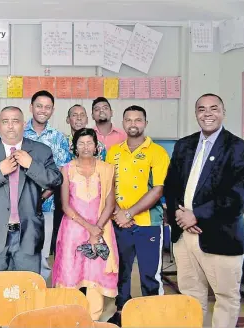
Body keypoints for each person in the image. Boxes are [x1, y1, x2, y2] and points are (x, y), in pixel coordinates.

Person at [164, 93, 244, 328]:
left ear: (223, 112)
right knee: (191, 297)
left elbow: (236, 196)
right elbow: (170, 184)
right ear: (196, 113)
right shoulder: (184, 145)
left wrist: (196, 215)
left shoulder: (238, 148)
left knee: (225, 298)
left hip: (219, 236)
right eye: (201, 109)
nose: (207, 114)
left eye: (213, 109)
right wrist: (180, 215)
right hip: (184, 235)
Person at [0, 106, 62, 273]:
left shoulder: (41, 151)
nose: (10, 126)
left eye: (15, 121)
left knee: (25, 291)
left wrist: (31, 165)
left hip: (28, 235)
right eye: (5, 122)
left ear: (23, 124)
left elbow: (56, 181)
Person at [106, 105, 170, 326]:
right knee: (120, 272)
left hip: (148, 224)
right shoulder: (114, 151)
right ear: (123, 123)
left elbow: (158, 189)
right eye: (129, 120)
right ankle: (122, 312)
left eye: (138, 120)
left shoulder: (157, 152)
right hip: (119, 224)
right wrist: (116, 214)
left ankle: (152, 317)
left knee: (149, 274)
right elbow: (108, 186)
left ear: (145, 123)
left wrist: (129, 213)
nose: (133, 124)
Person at [51, 128, 118, 321]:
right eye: (81, 143)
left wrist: (97, 229)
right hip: (73, 229)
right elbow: (65, 205)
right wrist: (91, 229)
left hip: (101, 227)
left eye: (90, 143)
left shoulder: (106, 169)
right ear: (74, 147)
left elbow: (110, 202)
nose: (86, 147)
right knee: (70, 271)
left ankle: (93, 319)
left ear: (97, 146)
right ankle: (70, 319)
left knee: (94, 273)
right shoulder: (67, 169)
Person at [23, 90, 71, 282]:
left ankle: (39, 297)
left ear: (52, 111)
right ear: (31, 107)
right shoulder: (19, 132)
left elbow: (60, 173)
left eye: (47, 107)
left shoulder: (58, 138)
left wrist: (42, 196)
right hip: (18, 206)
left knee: (42, 254)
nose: (43, 110)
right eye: (39, 106)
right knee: (20, 252)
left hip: (46, 207)